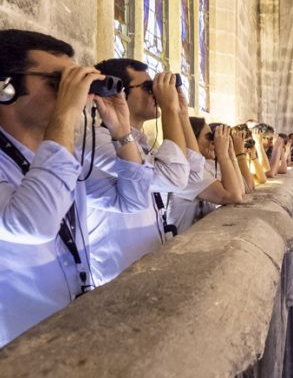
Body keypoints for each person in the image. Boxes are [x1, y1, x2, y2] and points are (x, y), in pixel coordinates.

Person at [0, 30, 150, 375]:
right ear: (5, 89)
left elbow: (132, 200)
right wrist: (66, 116)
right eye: (59, 82)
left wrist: (122, 132)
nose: (74, 93)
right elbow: (33, 223)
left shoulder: (66, 161)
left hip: (63, 344)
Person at [85, 59, 204, 286]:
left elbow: (193, 177)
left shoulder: (140, 144)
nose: (156, 93)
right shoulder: (98, 143)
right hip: (116, 279)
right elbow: (176, 177)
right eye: (148, 88)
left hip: (146, 272)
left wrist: (181, 114)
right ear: (116, 92)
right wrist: (169, 110)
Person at [168, 118, 244, 233]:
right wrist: (223, 155)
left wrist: (231, 153)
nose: (213, 142)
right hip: (183, 240)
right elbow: (234, 196)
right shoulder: (188, 171)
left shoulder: (201, 167)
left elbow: (241, 191)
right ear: (191, 139)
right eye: (209, 137)